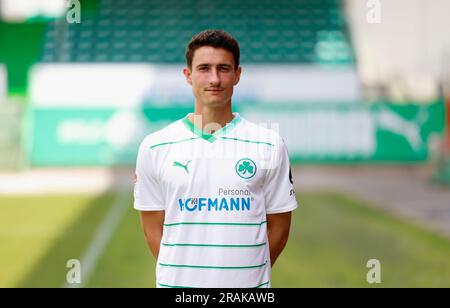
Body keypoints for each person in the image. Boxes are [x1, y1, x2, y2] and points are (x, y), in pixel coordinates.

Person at [134, 29, 298, 288]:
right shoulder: (155, 146)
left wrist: (247, 278)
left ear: (237, 75)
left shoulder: (269, 144)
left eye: (223, 68)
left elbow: (279, 226)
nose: (214, 78)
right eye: (204, 68)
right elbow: (152, 228)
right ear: (188, 75)